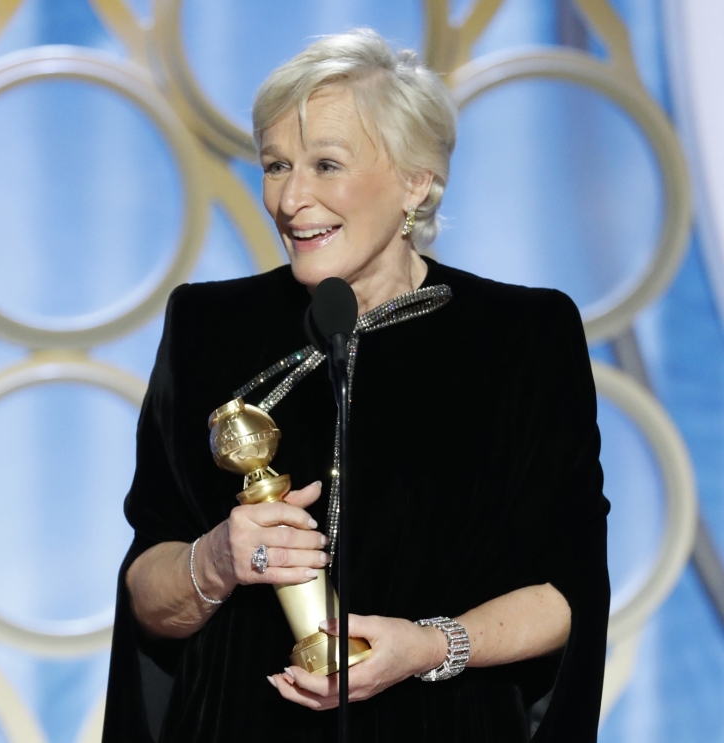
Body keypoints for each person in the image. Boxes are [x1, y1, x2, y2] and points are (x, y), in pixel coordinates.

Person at [103, 28, 609, 742]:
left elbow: (567, 593)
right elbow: (149, 594)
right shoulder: (208, 325)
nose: (292, 198)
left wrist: (429, 645)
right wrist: (216, 559)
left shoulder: (525, 335)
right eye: (276, 165)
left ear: (416, 180)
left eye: (326, 164)